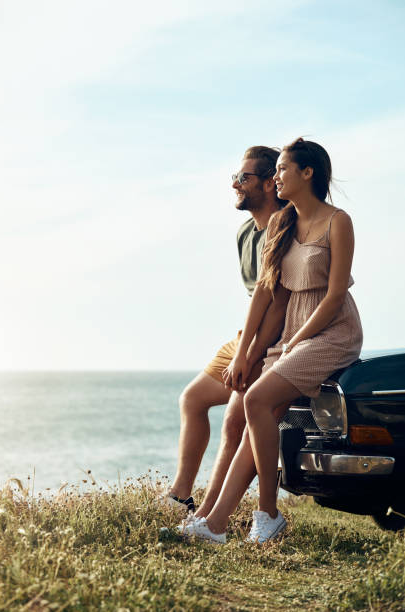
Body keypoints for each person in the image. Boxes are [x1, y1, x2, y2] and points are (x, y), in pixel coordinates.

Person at [183, 137, 363, 544]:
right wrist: (247, 349)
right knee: (256, 415)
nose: (276, 177)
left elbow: (335, 295)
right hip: (294, 332)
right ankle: (215, 525)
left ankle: (267, 513)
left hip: (332, 330)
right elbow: (264, 293)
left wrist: (298, 339)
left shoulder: (339, 221)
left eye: (282, 169)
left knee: (255, 400)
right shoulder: (282, 224)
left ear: (308, 173)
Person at [167, 146, 289, 516]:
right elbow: (256, 295)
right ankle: (181, 497)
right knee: (192, 399)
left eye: (244, 178)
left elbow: (280, 301)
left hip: (274, 337)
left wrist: (251, 354)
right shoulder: (244, 233)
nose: (235, 184)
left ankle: (207, 516)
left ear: (270, 184)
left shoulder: (285, 228)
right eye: (235, 177)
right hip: (247, 333)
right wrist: (242, 346)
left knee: (235, 422)